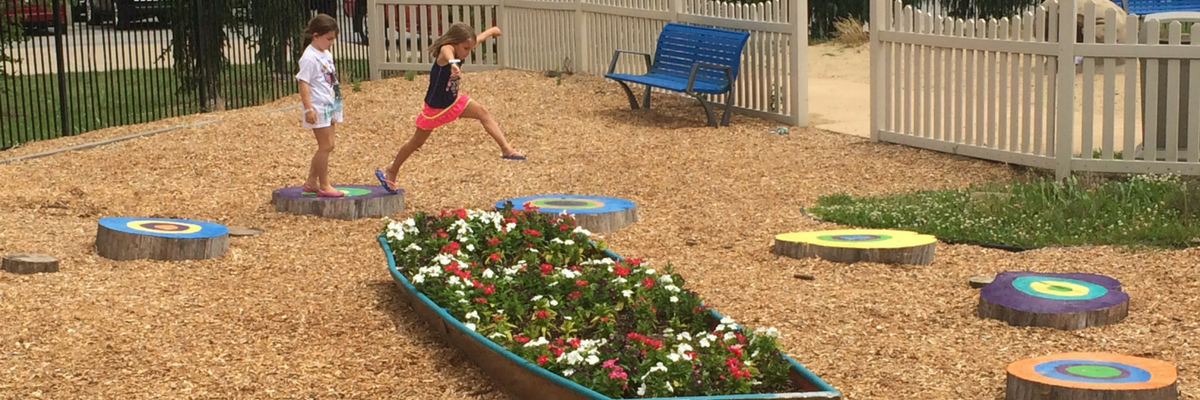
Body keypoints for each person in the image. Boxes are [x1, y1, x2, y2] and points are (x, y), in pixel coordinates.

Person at [375, 22, 525, 194]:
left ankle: (507, 150)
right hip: (435, 108)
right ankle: (392, 169)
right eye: (465, 48)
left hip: (453, 102)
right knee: (416, 143)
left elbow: (478, 40)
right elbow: (447, 52)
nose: (468, 52)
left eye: (470, 48)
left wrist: (492, 31)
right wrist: (453, 63)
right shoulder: (446, 51)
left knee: (483, 113)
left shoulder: (464, 46)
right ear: (455, 42)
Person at [297, 14, 345, 197]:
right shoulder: (309, 57)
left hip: (330, 102)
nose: (331, 42)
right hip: (318, 105)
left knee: (329, 144)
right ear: (316, 35)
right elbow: (303, 82)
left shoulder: (325, 53)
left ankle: (311, 181)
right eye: (329, 38)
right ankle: (324, 185)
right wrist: (308, 108)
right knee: (325, 145)